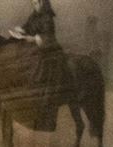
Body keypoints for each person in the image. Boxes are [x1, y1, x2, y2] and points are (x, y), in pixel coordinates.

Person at [8, 0, 69, 131]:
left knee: (39, 72)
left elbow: (49, 36)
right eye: (32, 2)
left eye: (36, 2)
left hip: (49, 51)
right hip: (35, 48)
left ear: (42, 2)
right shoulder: (35, 14)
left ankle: (43, 116)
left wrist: (34, 39)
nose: (33, 5)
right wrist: (21, 30)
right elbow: (28, 27)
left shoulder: (47, 16)